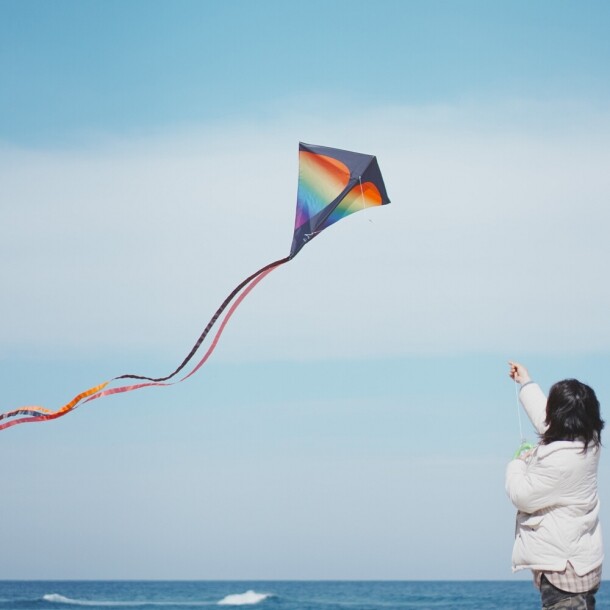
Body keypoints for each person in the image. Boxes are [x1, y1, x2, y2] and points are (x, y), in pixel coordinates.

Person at [506, 361, 604, 610]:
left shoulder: (557, 461)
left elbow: (521, 495)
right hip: (583, 564)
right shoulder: (589, 442)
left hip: (563, 571)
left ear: (558, 417)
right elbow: (547, 422)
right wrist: (526, 383)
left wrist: (517, 463)